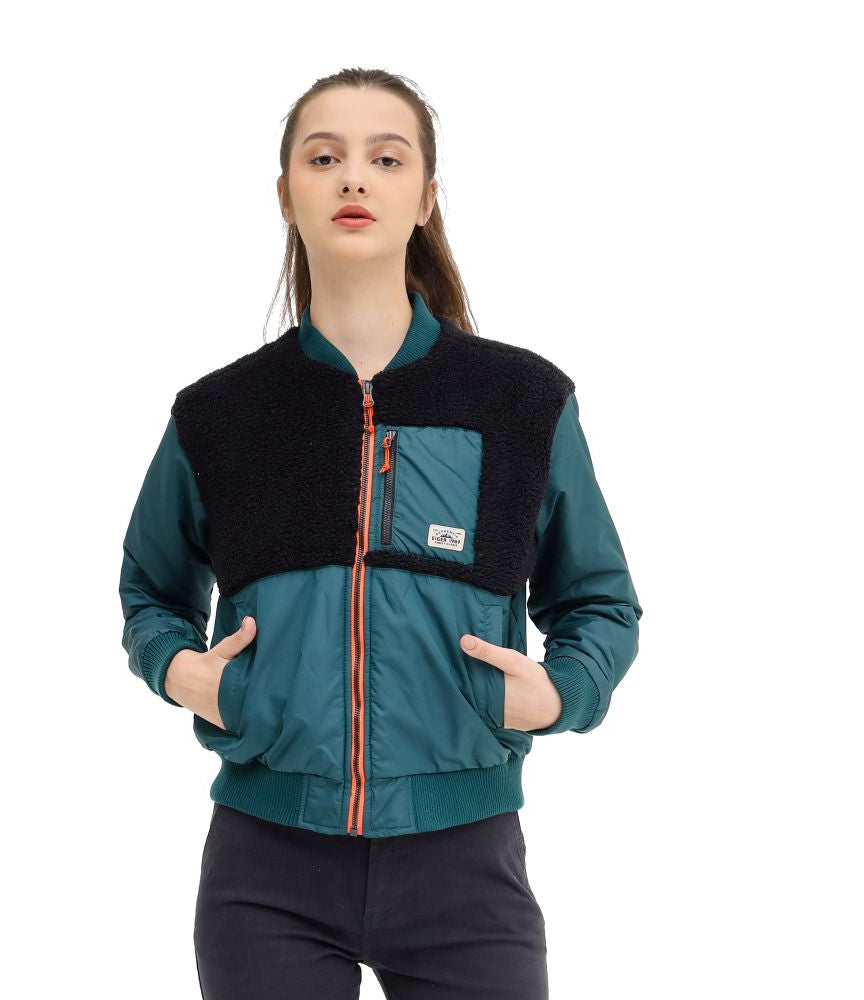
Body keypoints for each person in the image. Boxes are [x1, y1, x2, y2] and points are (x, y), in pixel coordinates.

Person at [119, 67, 643, 1000]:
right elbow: (151, 591)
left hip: (467, 869)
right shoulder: (220, 414)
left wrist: (561, 693)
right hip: (264, 870)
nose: (353, 178)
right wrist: (178, 669)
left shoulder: (521, 401)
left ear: (426, 198)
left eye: (386, 158)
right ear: (286, 195)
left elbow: (600, 601)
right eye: (324, 158)